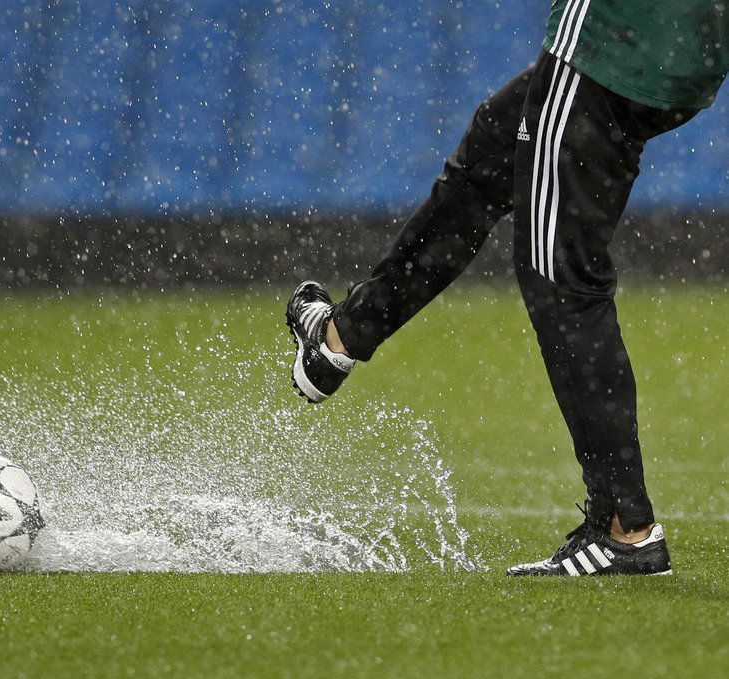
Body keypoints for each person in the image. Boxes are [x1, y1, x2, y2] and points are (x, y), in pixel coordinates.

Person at [285, 1, 728, 576]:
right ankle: (342, 336)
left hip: (620, 38)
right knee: (491, 156)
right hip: (683, 43)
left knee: (561, 276)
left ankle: (625, 529)